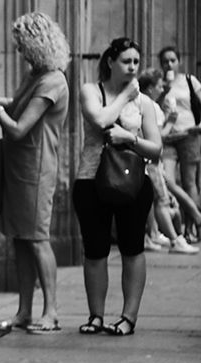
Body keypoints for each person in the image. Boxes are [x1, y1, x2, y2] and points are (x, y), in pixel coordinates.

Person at [0, 12, 69, 335]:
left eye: (22, 45)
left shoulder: (54, 80)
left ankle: (51, 312)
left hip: (36, 169)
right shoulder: (36, 75)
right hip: (20, 168)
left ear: (37, 43)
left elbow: (18, 128)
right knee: (20, 239)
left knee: (37, 239)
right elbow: (20, 104)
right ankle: (24, 311)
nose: (20, 51)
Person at [74, 38, 162, 336]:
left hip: (133, 183)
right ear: (110, 61)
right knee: (95, 250)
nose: (133, 67)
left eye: (136, 62)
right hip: (91, 179)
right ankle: (95, 316)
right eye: (127, 61)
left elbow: (156, 149)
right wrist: (125, 95)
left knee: (132, 248)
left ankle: (128, 317)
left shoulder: (145, 102)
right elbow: (99, 120)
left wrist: (130, 139)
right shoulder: (91, 90)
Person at [138, 68, 199, 254]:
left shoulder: (146, 104)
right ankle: (175, 240)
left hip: (148, 160)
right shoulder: (151, 106)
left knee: (154, 199)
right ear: (149, 88)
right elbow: (157, 138)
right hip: (152, 161)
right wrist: (171, 122)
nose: (162, 88)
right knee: (162, 199)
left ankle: (152, 234)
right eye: (158, 85)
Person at [157, 46, 201, 243]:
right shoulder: (160, 84)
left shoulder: (190, 81)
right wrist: (162, 92)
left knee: (190, 182)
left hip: (189, 134)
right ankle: (197, 216)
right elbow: (152, 106)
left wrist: (199, 126)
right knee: (167, 179)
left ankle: (191, 229)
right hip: (167, 137)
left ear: (179, 61)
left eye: (173, 60)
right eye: (165, 61)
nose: (169, 64)